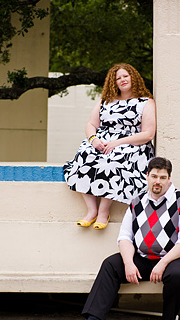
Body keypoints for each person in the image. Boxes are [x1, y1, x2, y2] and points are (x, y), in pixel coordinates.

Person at [66, 156, 180, 320]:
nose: (157, 181)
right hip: (145, 258)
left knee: (179, 275)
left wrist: (162, 264)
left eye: (162, 177)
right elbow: (125, 237)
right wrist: (129, 263)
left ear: (169, 178)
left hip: (178, 259)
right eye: (154, 176)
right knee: (111, 265)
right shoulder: (137, 202)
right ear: (147, 176)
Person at [63, 63, 156, 228]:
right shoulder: (105, 101)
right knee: (85, 155)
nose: (122, 80)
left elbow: (148, 134)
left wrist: (117, 142)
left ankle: (104, 211)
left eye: (125, 76)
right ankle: (91, 210)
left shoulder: (145, 102)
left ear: (133, 77)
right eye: (118, 78)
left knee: (112, 160)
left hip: (131, 145)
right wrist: (93, 139)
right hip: (103, 142)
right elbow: (91, 124)